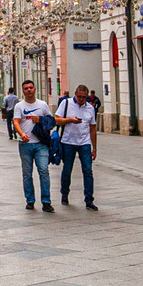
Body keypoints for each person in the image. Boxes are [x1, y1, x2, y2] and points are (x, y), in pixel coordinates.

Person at [12, 80, 57, 213]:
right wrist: (22, 134)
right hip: (25, 145)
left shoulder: (42, 105)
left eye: (31, 88)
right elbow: (16, 121)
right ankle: (30, 200)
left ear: (35, 89)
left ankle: (46, 201)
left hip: (41, 144)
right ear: (23, 91)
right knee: (27, 173)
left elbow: (51, 121)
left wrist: (40, 120)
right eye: (26, 88)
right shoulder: (19, 106)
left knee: (43, 170)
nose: (29, 90)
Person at [53, 83, 98, 211]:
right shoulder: (66, 103)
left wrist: (94, 148)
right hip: (68, 142)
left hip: (84, 143)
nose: (81, 99)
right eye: (79, 97)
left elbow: (93, 128)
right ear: (75, 94)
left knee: (88, 170)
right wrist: (70, 120)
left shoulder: (90, 108)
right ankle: (65, 193)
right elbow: (57, 120)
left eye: (84, 97)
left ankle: (89, 199)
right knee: (67, 169)